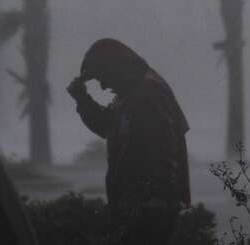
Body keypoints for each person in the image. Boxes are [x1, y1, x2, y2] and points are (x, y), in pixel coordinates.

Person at [67, 38, 190, 244]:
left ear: (115, 68)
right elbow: (109, 127)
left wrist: (157, 199)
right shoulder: (129, 93)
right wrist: (83, 100)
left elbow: (164, 149)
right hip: (134, 204)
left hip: (149, 207)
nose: (104, 86)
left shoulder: (149, 92)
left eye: (102, 77)